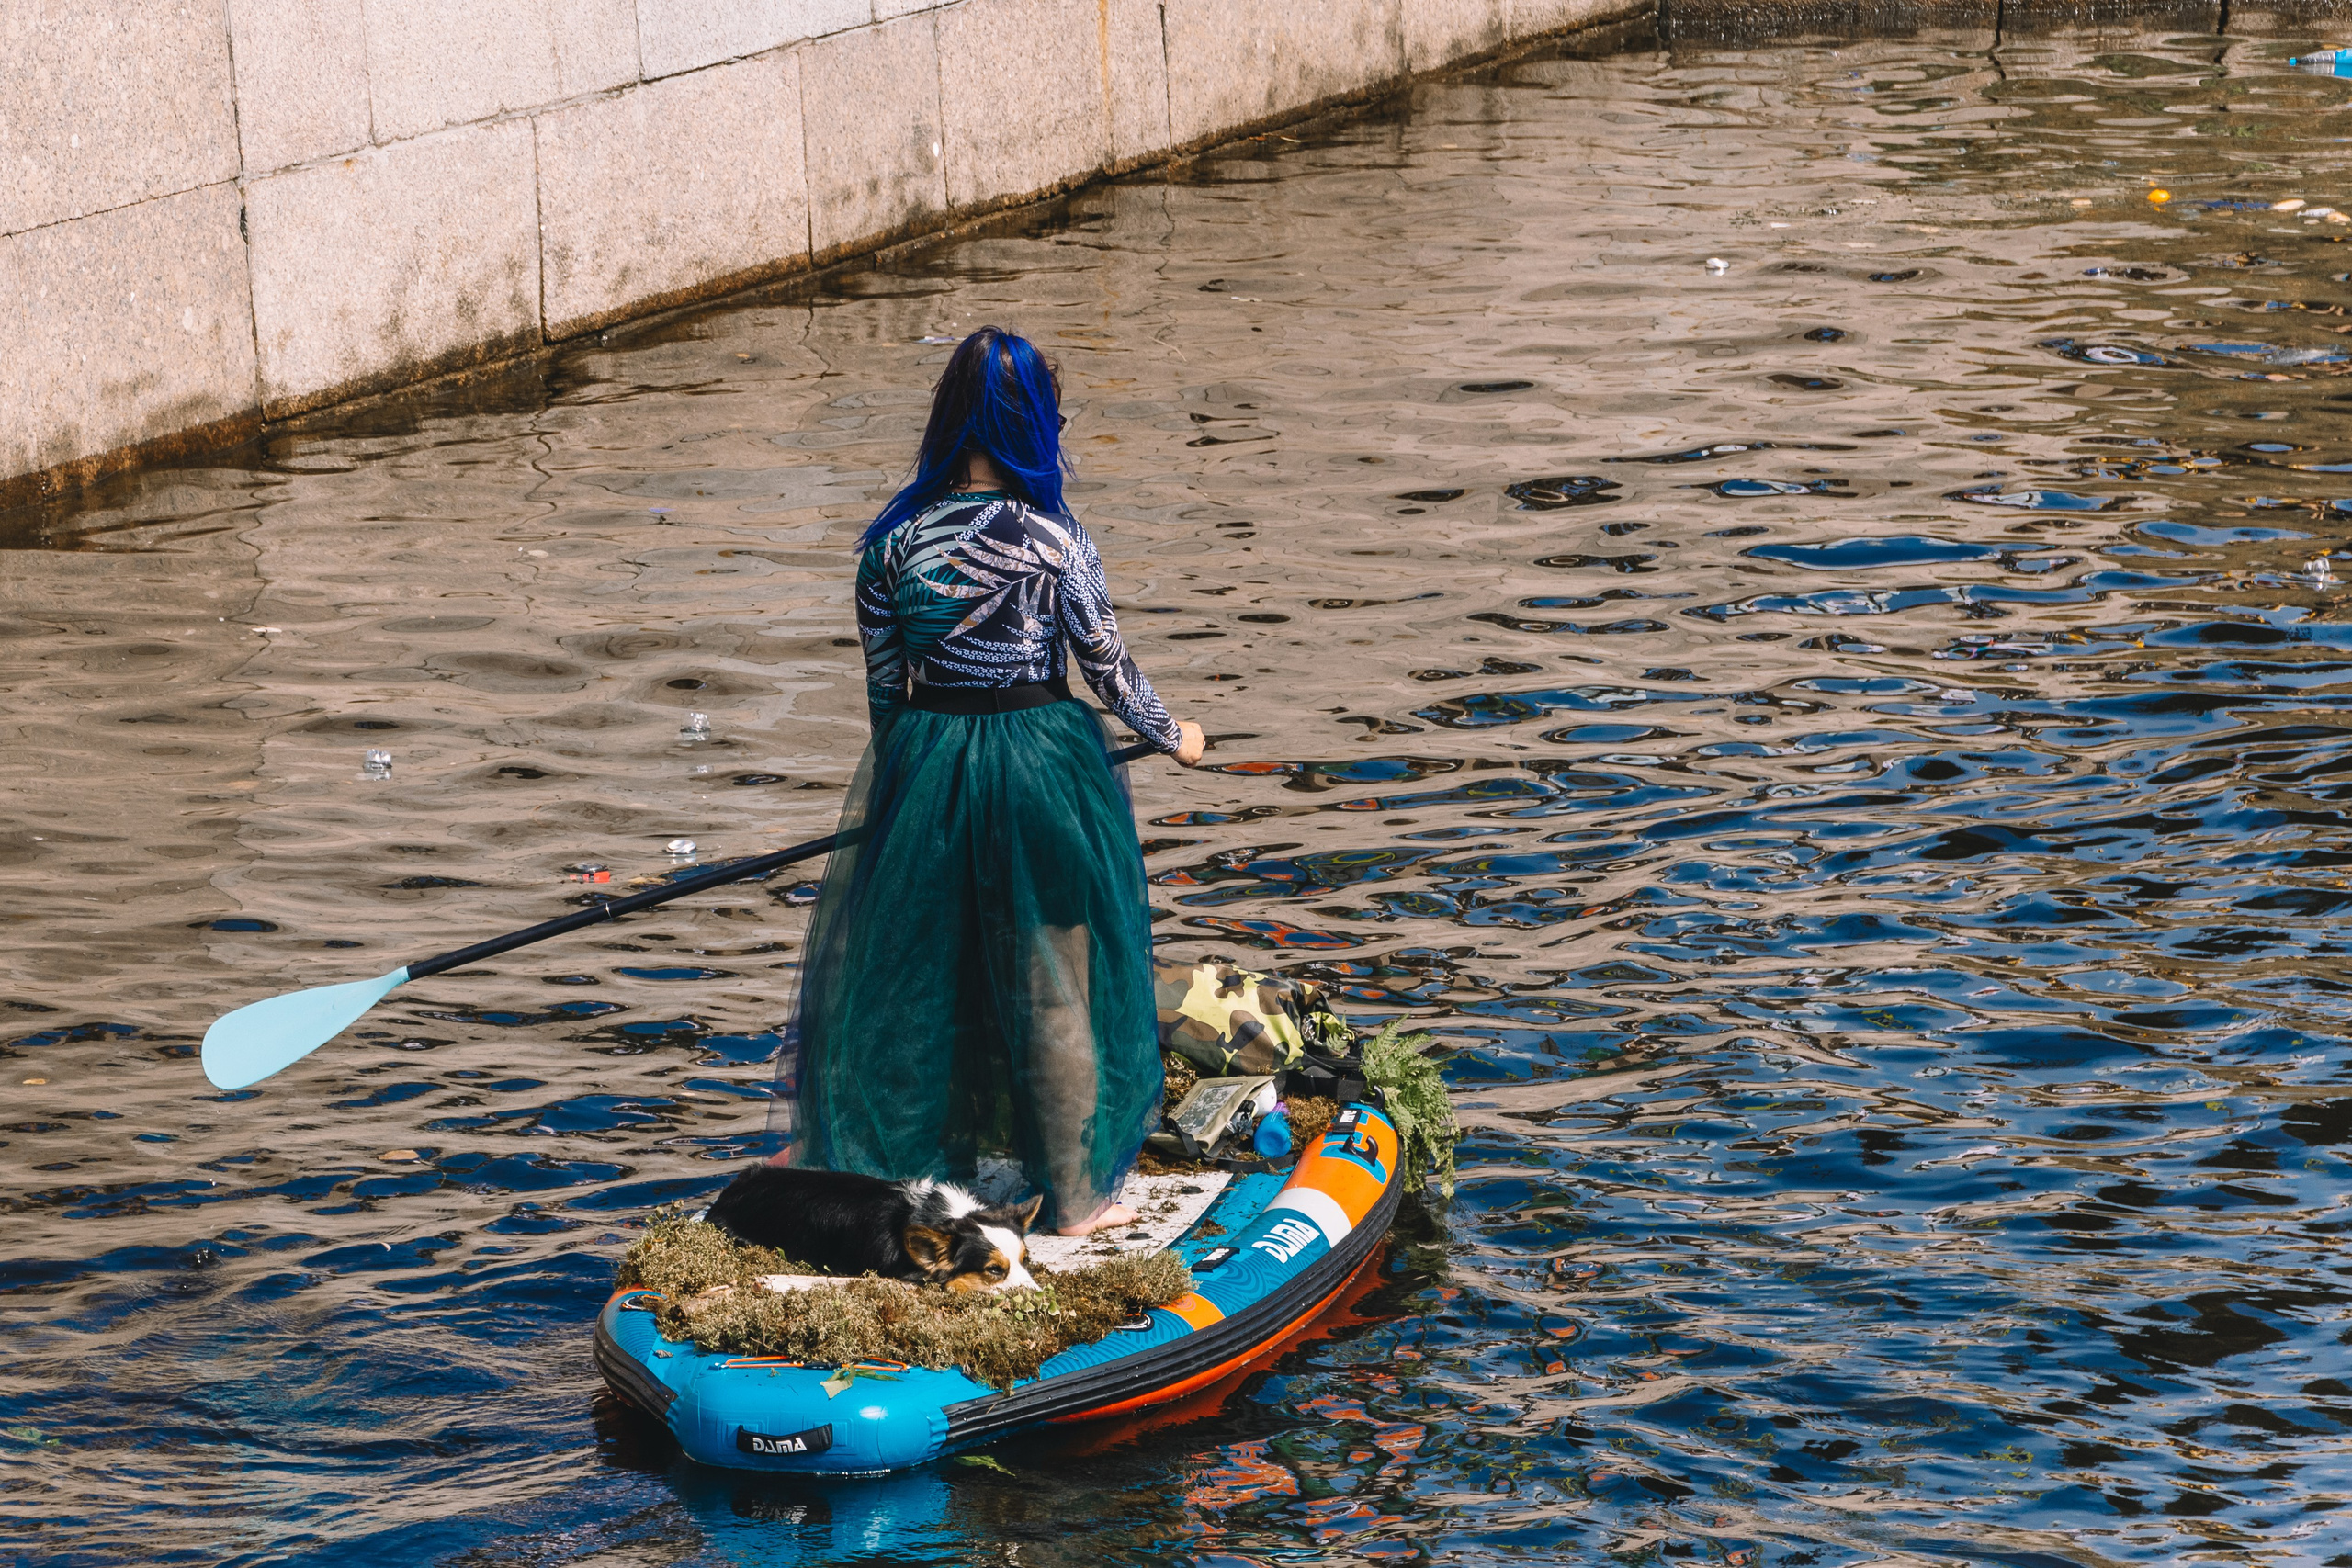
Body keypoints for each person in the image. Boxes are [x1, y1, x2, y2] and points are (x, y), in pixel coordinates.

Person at [775, 326, 1206, 1236]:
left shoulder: (889, 545)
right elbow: (1109, 671)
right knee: (1052, 973)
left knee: (920, 980)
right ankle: (1077, 1200)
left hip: (928, 765)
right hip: (1037, 763)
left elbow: (886, 696)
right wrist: (1177, 737)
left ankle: (907, 1189)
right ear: (1030, 424)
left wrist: (905, 803)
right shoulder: (1053, 539)